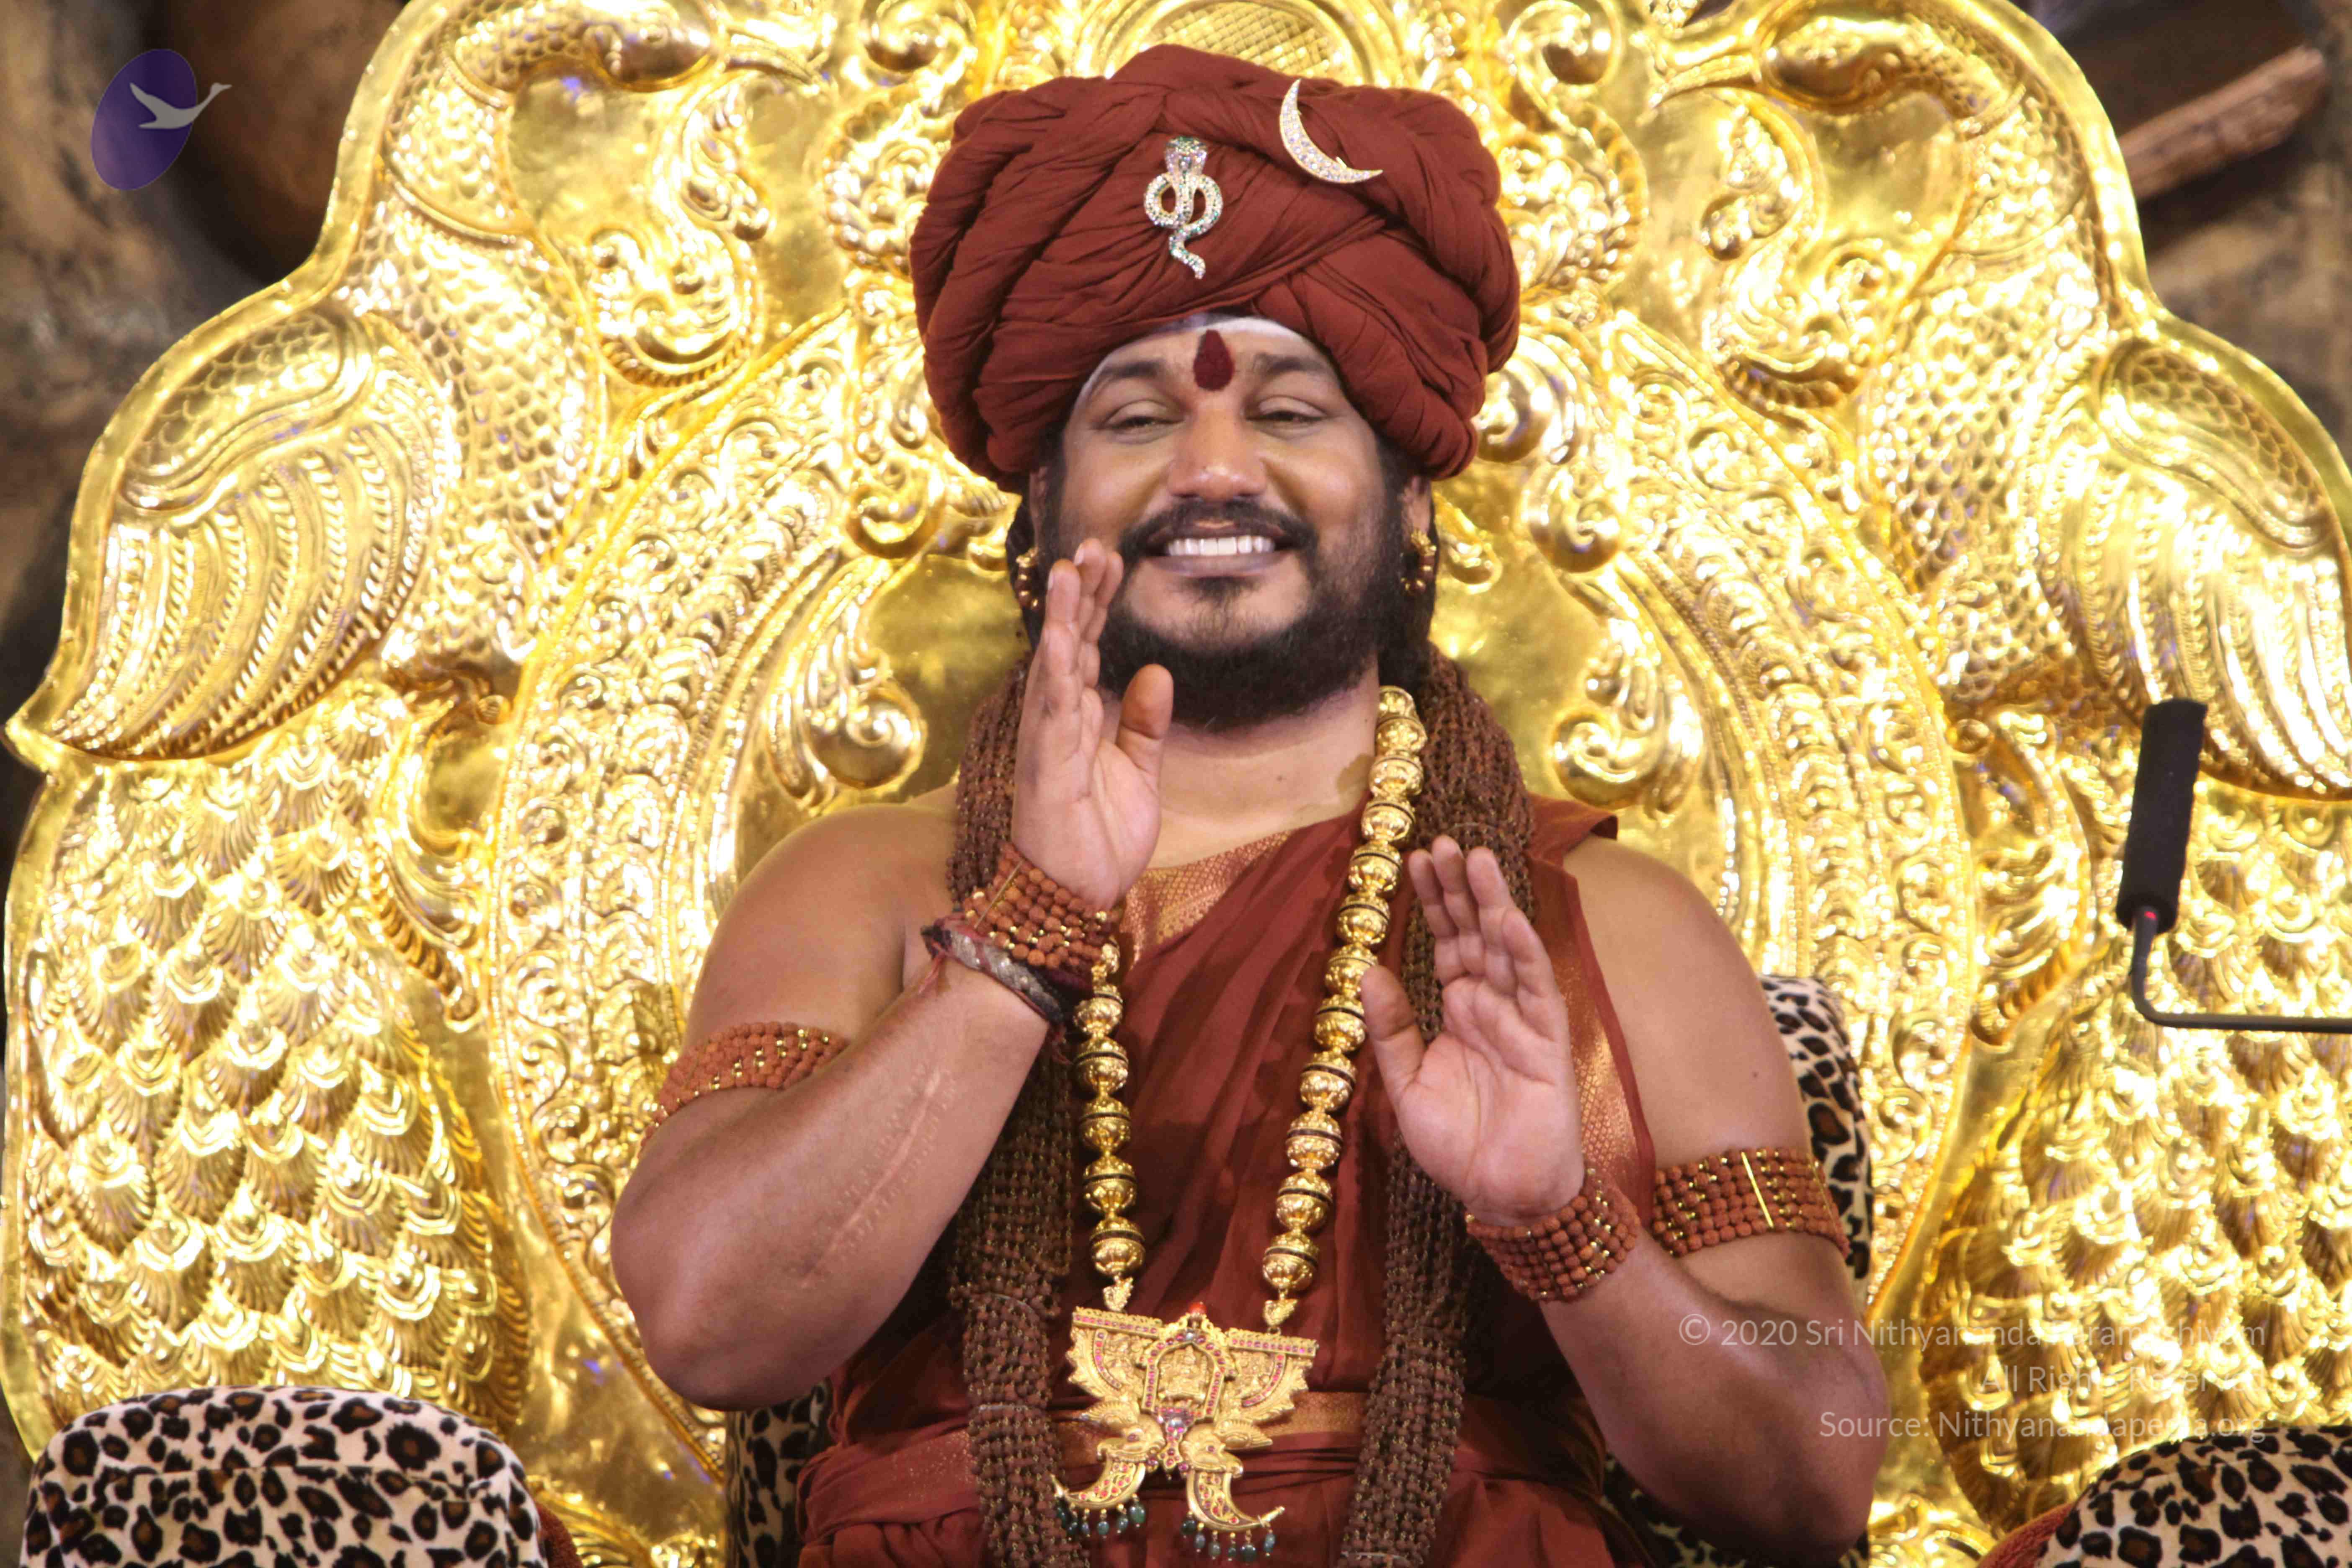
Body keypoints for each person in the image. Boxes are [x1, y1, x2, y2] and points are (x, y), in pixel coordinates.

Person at [611, 44, 1889, 1567]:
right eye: (1137, 421)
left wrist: (1563, 1224)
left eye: (1290, 413)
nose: (1215, 469)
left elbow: (1816, 1486)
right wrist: (1021, 940)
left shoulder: (1605, 921)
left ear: (1411, 498)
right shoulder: (872, 885)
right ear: (1046, 505)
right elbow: (711, 1327)